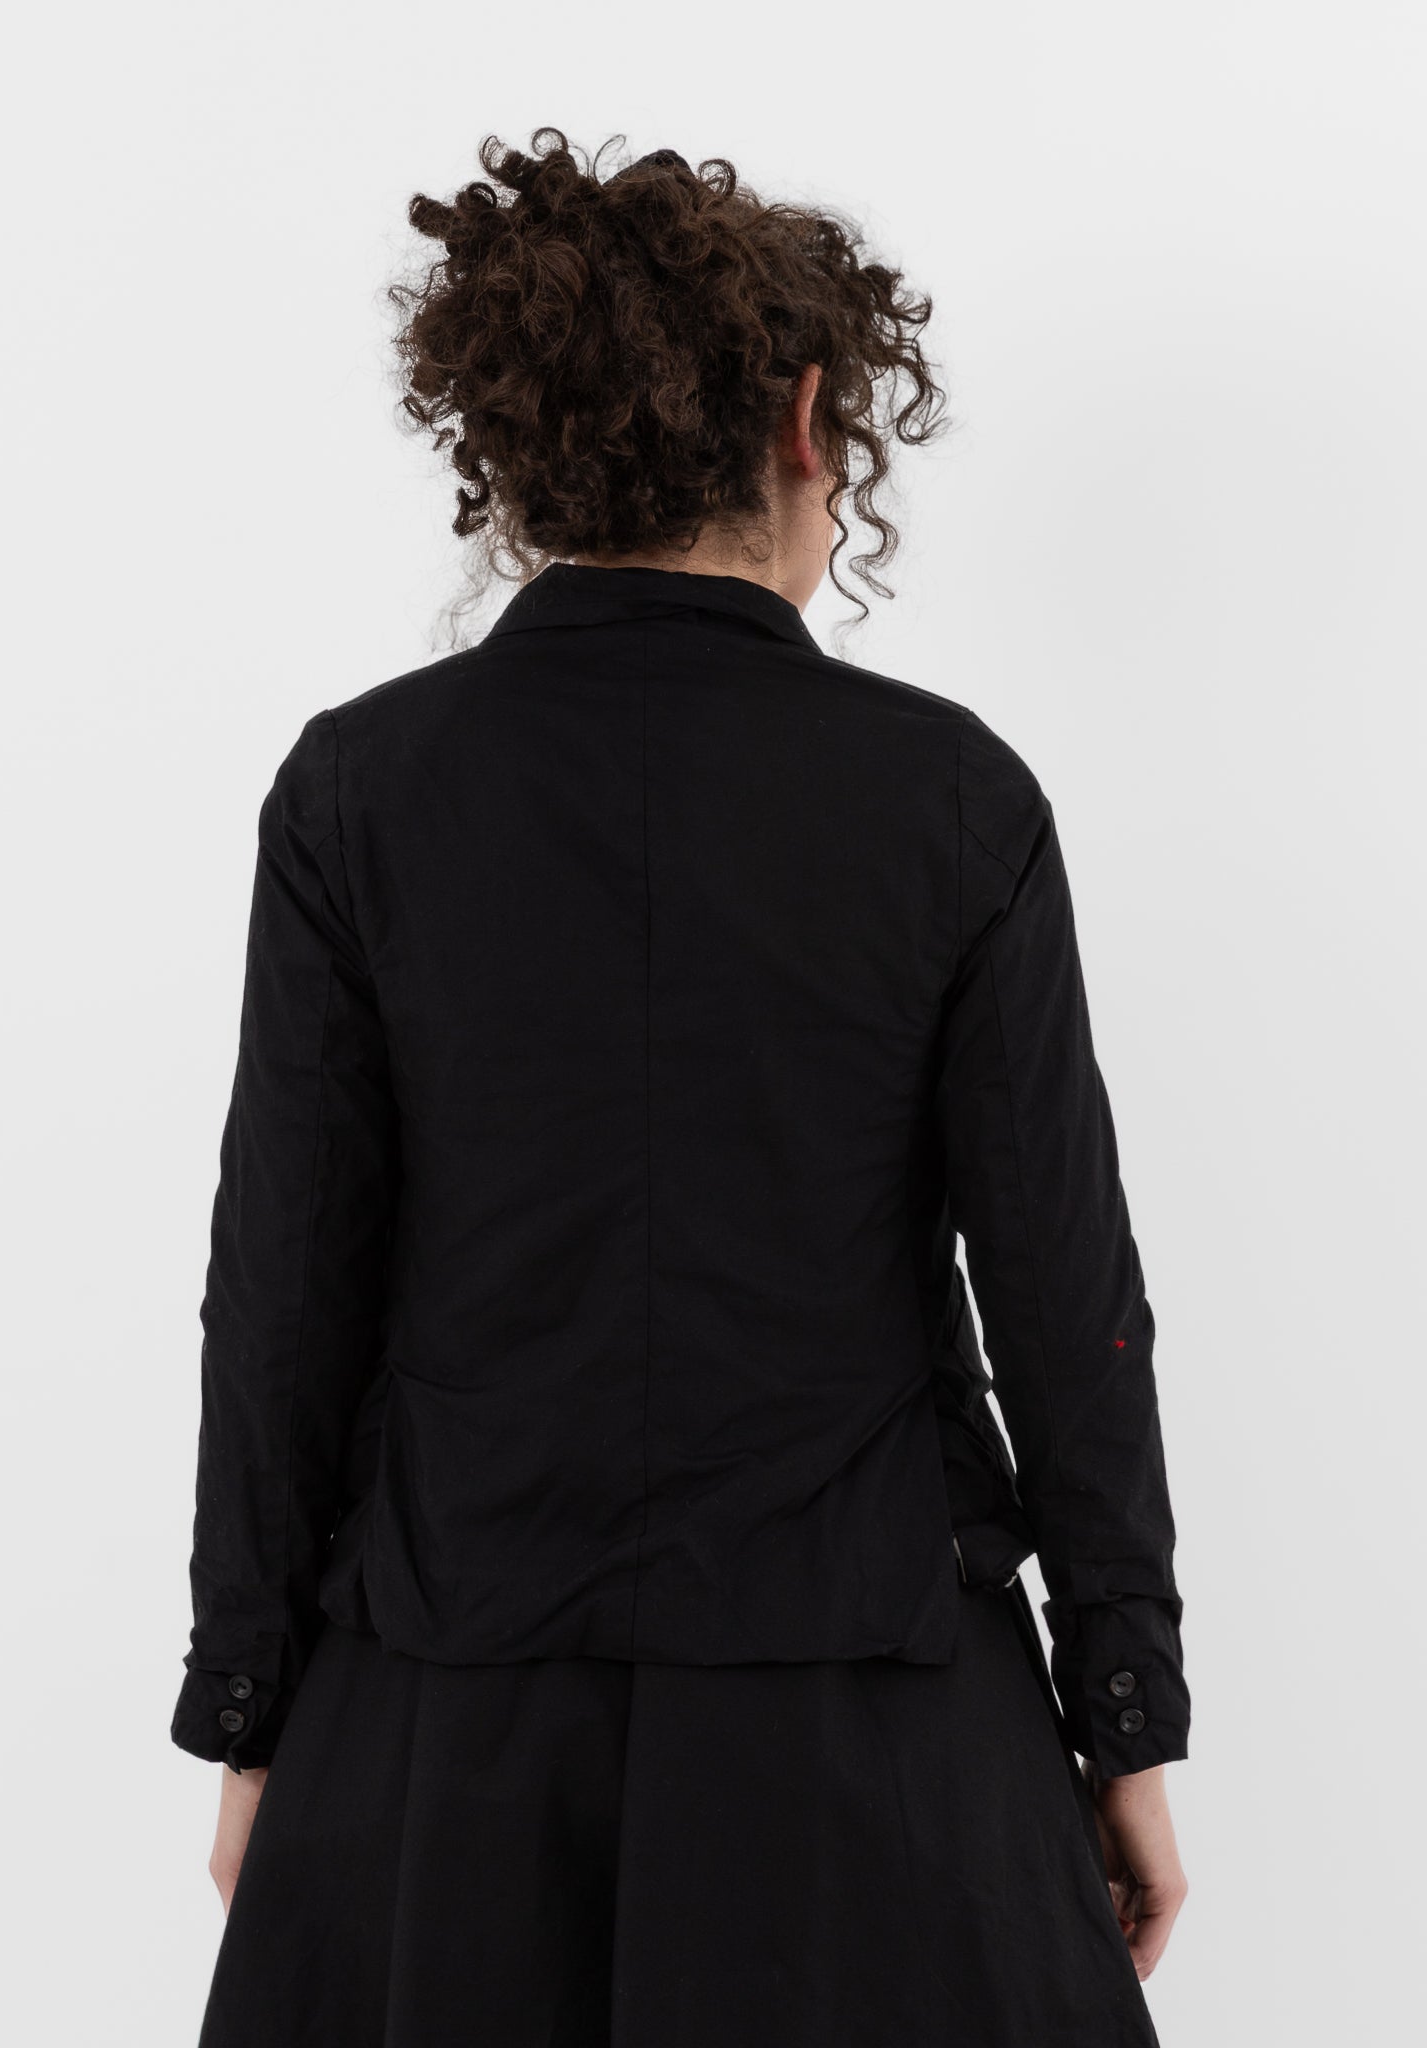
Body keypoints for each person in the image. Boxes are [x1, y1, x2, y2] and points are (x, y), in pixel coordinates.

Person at [170, 128, 1191, 2047]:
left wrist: (250, 1712)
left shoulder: (357, 794)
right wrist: (1124, 1711)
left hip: (446, 1710)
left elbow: (284, 1291)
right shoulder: (952, 801)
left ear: (532, 444)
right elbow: (1069, 1302)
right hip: (878, 1720)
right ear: (808, 418)